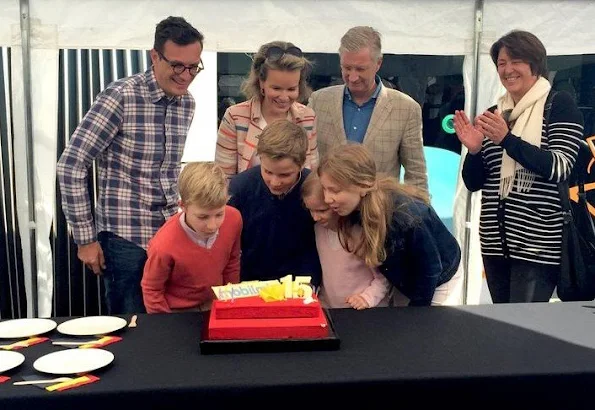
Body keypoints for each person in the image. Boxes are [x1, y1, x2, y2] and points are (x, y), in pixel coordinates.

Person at [56, 16, 204, 314]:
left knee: (165, 324)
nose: (186, 75)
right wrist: (85, 240)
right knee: (131, 328)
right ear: (154, 56)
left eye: (193, 66)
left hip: (168, 235)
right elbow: (71, 165)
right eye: (177, 65)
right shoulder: (121, 96)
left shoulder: (187, 103)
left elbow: (167, 172)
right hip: (125, 238)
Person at [455, 30, 585, 304]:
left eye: (516, 61)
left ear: (534, 64)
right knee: (504, 328)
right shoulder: (495, 113)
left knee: (524, 332)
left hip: (538, 246)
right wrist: (475, 151)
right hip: (494, 244)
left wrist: (507, 140)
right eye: (501, 63)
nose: (507, 70)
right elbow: (475, 183)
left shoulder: (558, 105)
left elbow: (560, 167)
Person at [317, 144, 461, 306]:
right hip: (403, 274)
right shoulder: (354, 207)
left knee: (421, 326)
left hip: (439, 277)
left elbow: (430, 268)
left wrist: (418, 312)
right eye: (324, 189)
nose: (328, 199)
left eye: (335, 191)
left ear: (363, 186)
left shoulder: (407, 217)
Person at [308, 26, 428, 192]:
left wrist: (416, 215)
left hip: (378, 212)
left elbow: (417, 176)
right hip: (327, 210)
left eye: (360, 69)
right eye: (347, 68)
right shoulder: (319, 101)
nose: (353, 77)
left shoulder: (407, 109)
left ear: (378, 63)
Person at [228, 120, 321, 286]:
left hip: (300, 283)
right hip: (249, 283)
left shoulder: (314, 188)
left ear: (301, 164)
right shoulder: (240, 188)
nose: (275, 181)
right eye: (268, 171)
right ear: (260, 159)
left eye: (285, 175)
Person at [141, 162, 242, 313]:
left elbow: (232, 263)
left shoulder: (234, 219)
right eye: (203, 217)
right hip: (178, 312)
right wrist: (164, 325)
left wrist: (231, 304)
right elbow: (152, 290)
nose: (212, 225)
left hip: (217, 303)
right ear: (183, 206)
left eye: (219, 214)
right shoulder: (164, 245)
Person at [216, 41, 319, 178]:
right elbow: (223, 178)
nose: (284, 97)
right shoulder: (235, 117)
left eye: (291, 89)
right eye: (276, 88)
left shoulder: (308, 117)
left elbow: (312, 176)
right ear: (261, 82)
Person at [301, 172, 391, 309]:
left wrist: (367, 298)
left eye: (322, 211)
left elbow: (384, 278)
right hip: (331, 309)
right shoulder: (318, 229)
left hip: (365, 311)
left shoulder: (361, 234)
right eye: (311, 211)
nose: (315, 217)